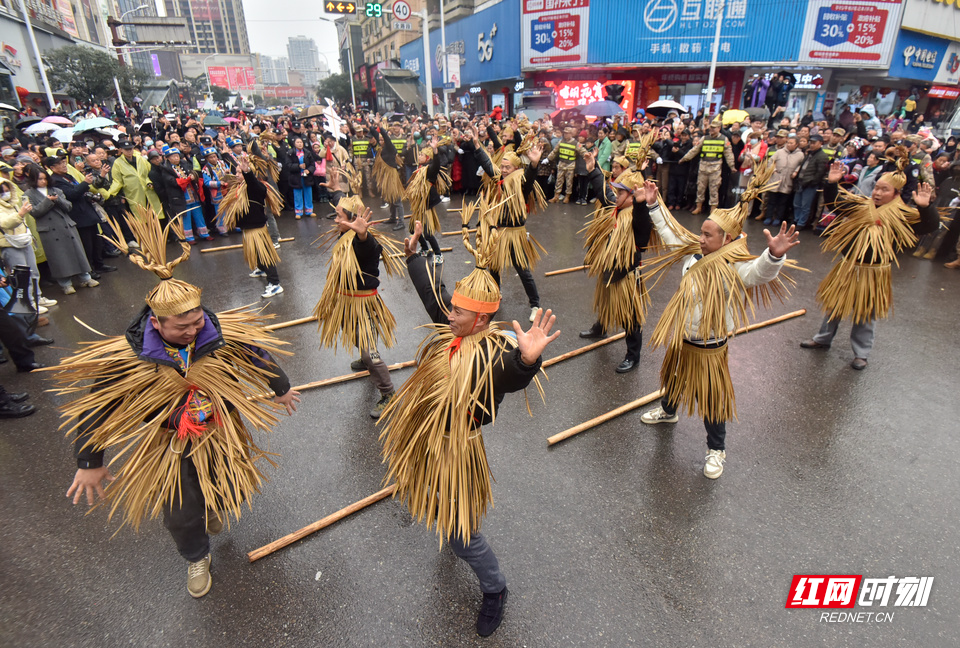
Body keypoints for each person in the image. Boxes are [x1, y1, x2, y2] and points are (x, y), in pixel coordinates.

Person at [57, 214, 300, 598]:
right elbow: (96, 409)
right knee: (180, 508)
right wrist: (90, 461)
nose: (193, 332)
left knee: (225, 484)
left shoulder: (216, 333)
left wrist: (280, 388)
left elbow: (257, 354)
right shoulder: (131, 358)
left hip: (221, 430)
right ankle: (196, 556)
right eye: (181, 328)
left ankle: (214, 505)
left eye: (197, 322)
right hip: (170, 441)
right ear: (156, 324)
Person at [379, 219, 559, 637]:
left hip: (459, 448)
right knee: (436, 500)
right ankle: (455, 522)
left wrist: (528, 360)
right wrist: (414, 258)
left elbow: (511, 375)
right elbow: (433, 295)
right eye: (454, 309)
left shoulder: (493, 355)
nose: (450, 314)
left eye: (459, 311)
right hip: (427, 440)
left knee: (461, 532)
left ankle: (495, 588)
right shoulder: (453, 331)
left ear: (481, 320)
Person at [639, 162, 801, 478]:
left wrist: (774, 256)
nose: (700, 237)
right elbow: (670, 233)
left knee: (713, 400)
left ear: (727, 239)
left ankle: (717, 450)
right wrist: (653, 204)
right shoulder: (692, 253)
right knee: (673, 378)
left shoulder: (736, 267)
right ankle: (668, 412)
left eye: (708, 234)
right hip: (683, 338)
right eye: (701, 231)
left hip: (711, 346)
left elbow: (759, 273)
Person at [800, 151, 939, 369]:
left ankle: (861, 353)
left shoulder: (902, 215)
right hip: (848, 266)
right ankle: (822, 338)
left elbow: (930, 226)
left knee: (866, 313)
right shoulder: (860, 205)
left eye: (884, 189)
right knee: (834, 305)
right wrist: (832, 184)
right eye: (876, 187)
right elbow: (835, 204)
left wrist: (925, 207)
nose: (877, 192)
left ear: (896, 193)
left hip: (874, 271)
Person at [314, 197, 403, 418]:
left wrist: (363, 234)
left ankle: (389, 393)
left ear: (355, 220)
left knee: (369, 352)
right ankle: (365, 362)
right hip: (346, 301)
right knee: (351, 333)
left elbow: (369, 249)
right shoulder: (345, 235)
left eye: (339, 217)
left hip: (364, 304)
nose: (335, 220)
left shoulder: (362, 241)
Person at [578, 157, 652, 373]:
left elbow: (642, 232)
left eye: (621, 192)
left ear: (632, 197)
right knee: (605, 299)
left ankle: (633, 355)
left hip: (626, 273)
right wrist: (593, 171)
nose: (616, 195)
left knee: (630, 315)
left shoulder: (638, 216)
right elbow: (605, 194)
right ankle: (600, 328)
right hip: (609, 267)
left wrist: (640, 204)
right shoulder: (617, 208)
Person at [466, 124, 546, 322]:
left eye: (507, 167)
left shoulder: (520, 182)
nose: (502, 170)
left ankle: (535, 304)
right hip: (498, 232)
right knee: (493, 267)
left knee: (523, 270)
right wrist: (477, 146)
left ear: (516, 168)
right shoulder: (499, 180)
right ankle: (496, 295)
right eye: (502, 166)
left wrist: (534, 165)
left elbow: (529, 179)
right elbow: (487, 164)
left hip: (514, 234)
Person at [22, 164, 98, 295]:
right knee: (58, 257)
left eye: (45, 178)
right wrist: (47, 201)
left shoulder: (56, 189)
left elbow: (68, 207)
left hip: (66, 225)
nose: (43, 181)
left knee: (77, 252)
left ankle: (85, 277)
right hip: (49, 229)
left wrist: (58, 201)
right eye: (40, 179)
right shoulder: (28, 194)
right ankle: (66, 284)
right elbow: (34, 212)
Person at [218, 154, 284, 298]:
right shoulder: (240, 188)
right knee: (255, 252)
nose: (237, 175)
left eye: (239, 172)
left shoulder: (256, 187)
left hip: (257, 229)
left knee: (265, 255)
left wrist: (247, 171)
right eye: (237, 172)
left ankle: (275, 284)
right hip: (248, 228)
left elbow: (253, 182)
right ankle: (260, 269)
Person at [680, 118, 736, 215]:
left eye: (714, 128)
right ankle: (699, 207)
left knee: (714, 189)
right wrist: (684, 158)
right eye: (711, 128)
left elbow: (729, 154)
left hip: (715, 168)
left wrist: (732, 166)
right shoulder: (704, 138)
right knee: (700, 188)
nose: (711, 130)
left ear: (719, 128)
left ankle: (713, 209)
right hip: (703, 167)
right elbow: (695, 150)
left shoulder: (724, 139)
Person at [404, 139, 448, 259]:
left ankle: (438, 254)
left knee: (428, 233)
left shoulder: (429, 170)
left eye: (421, 155)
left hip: (426, 205)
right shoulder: (419, 169)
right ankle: (424, 248)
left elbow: (437, 165)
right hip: (418, 205)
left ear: (428, 158)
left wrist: (435, 150)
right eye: (419, 154)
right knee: (413, 229)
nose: (419, 156)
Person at [765, 134, 804, 226]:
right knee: (771, 201)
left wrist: (796, 171)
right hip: (776, 178)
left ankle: (778, 218)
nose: (789, 144)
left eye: (791, 143)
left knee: (782, 202)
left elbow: (801, 165)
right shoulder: (779, 152)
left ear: (796, 145)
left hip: (788, 180)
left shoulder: (800, 155)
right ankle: (768, 217)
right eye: (788, 142)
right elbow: (770, 161)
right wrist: (773, 170)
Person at [792, 134, 829, 229]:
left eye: (814, 143)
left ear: (820, 143)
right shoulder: (810, 154)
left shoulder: (822, 156)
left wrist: (812, 182)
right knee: (797, 203)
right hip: (801, 181)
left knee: (805, 205)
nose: (811, 145)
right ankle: (796, 220)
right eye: (811, 143)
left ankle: (801, 223)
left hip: (810, 184)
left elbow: (820, 173)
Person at [547, 127, 579, 203]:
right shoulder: (561, 142)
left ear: (571, 134)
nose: (565, 135)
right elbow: (555, 151)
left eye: (567, 133)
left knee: (569, 182)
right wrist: (548, 159)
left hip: (570, 164)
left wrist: (587, 155)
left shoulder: (575, 143)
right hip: (561, 164)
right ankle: (556, 196)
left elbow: (582, 151)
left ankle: (567, 196)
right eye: (564, 133)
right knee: (558, 181)